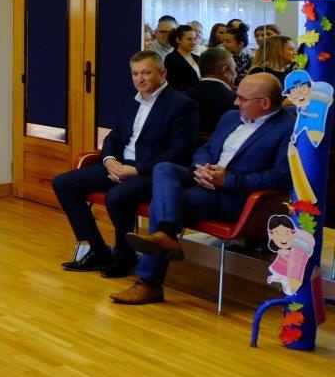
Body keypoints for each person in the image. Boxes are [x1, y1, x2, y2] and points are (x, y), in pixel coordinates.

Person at [114, 73, 293, 305]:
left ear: (265, 103)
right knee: (164, 168)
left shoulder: (287, 128)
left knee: (166, 203)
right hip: (206, 178)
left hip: (236, 197)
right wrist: (202, 168)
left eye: (242, 98)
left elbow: (280, 177)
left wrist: (228, 180)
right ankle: (166, 235)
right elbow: (205, 149)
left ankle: (150, 280)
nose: (235, 102)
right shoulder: (230, 117)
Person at [53, 50, 199, 277]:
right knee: (63, 183)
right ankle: (98, 250)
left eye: (146, 73)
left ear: (162, 73)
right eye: (135, 73)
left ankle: (125, 254)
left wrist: (137, 169)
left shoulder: (182, 105)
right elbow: (114, 137)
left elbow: (179, 153)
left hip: (151, 172)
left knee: (116, 197)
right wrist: (109, 160)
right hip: (120, 165)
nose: (140, 79)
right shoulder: (131, 101)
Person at [182, 46, 238, 130]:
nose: (235, 74)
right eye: (234, 69)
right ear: (225, 70)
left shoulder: (182, 97)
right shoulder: (237, 101)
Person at [163, 24, 200, 92]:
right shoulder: (171, 59)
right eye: (189, 39)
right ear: (178, 40)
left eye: (195, 39)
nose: (193, 42)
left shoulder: (197, 58)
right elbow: (175, 86)